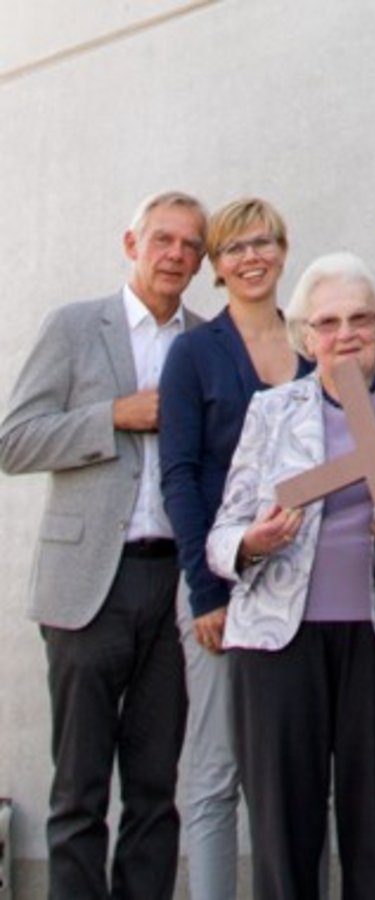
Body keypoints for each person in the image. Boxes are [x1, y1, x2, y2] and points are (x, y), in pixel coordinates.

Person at [205, 251, 375, 900]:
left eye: (359, 319)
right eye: (327, 323)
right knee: (283, 837)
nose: (345, 334)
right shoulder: (272, 411)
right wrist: (252, 543)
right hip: (278, 645)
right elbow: (222, 534)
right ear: (305, 334)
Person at [0, 191, 207, 899]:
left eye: (190, 245)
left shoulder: (205, 341)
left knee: (155, 787)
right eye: (163, 239)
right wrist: (114, 416)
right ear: (131, 243)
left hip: (173, 585)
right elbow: (15, 440)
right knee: (79, 787)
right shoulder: (73, 327)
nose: (176, 254)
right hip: (87, 583)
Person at [159, 197, 312, 900]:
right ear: (216, 267)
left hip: (307, 584)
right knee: (217, 772)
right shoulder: (194, 352)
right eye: (234, 248)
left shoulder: (312, 341)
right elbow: (180, 475)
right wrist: (204, 593)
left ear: (283, 249)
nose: (251, 258)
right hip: (225, 583)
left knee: (299, 773)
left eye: (263, 242)